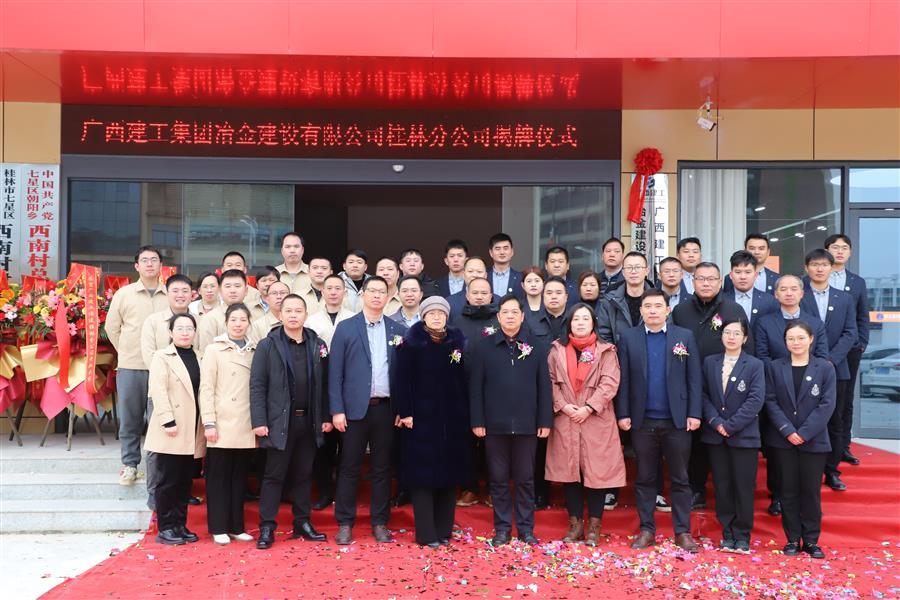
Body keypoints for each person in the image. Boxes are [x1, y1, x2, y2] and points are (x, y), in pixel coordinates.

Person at [616, 289, 702, 553]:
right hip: (642, 420)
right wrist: (623, 413)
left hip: (677, 420)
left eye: (657, 306)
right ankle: (647, 530)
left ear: (667, 310)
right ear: (641, 311)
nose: (652, 310)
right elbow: (624, 379)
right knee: (645, 477)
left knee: (680, 478)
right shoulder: (628, 337)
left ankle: (682, 532)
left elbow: (694, 377)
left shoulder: (683, 336)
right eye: (648, 306)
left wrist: (694, 413)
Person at [329, 276, 408, 545]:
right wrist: (336, 410)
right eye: (371, 291)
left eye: (381, 292)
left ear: (388, 297)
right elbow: (335, 373)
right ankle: (344, 523)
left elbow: (403, 374)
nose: (376, 296)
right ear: (362, 294)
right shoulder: (346, 328)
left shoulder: (398, 330)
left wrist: (402, 408)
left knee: (382, 468)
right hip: (353, 410)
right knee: (349, 466)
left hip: (386, 409)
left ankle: (380, 522)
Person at [469, 295, 552, 546]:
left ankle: (526, 529)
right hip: (494, 425)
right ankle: (502, 529)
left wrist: (544, 420)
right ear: (498, 316)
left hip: (527, 425)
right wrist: (477, 421)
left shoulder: (536, 346)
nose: (510, 316)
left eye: (515, 312)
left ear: (522, 316)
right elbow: (476, 388)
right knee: (498, 479)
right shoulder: (483, 347)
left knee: (526, 479)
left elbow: (544, 386)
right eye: (505, 312)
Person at [250, 294, 332, 549]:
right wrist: (259, 420)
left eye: (298, 311)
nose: (293, 315)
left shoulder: (317, 343)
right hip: (279, 422)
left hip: (309, 421)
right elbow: (257, 385)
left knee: (304, 474)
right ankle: (267, 527)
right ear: (280, 314)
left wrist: (325, 417)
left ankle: (302, 522)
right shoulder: (268, 345)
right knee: (274, 475)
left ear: (306, 315)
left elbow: (325, 384)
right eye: (289, 311)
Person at [394, 297, 470, 547]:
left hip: (451, 419)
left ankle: (444, 530)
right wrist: (406, 412)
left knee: (449, 476)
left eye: (441, 313)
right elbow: (402, 380)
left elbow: (463, 380)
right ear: (423, 316)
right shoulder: (411, 344)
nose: (436, 317)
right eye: (431, 313)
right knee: (423, 478)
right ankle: (427, 534)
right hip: (421, 420)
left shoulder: (456, 343)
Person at [546, 304, 624, 546]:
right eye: (576, 319)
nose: (580, 323)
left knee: (596, 472)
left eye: (585, 319)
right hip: (566, 417)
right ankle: (575, 524)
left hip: (596, 419)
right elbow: (549, 381)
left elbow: (610, 382)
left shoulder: (606, 351)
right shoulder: (557, 350)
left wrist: (589, 407)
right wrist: (564, 406)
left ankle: (594, 527)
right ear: (569, 323)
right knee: (570, 473)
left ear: (593, 323)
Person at [672, 261, 748, 509]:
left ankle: (727, 494)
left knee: (720, 437)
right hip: (688, 385)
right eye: (700, 279)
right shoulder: (681, 311)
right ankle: (696, 489)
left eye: (711, 279)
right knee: (692, 440)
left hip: (724, 385)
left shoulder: (734, 309)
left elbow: (747, 349)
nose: (706, 283)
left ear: (720, 281)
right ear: (692, 282)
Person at [752, 274, 829, 516]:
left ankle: (806, 503)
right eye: (783, 289)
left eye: (793, 289)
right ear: (775, 294)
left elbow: (822, 355)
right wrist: (779, 374)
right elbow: (762, 355)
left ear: (802, 293)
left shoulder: (814, 323)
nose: (788, 293)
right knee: (777, 451)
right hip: (776, 388)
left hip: (808, 392)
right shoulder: (764, 322)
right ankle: (777, 496)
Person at [765, 321, 836, 559]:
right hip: (783, 440)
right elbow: (770, 401)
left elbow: (827, 404)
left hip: (814, 441)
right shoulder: (775, 367)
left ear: (811, 339)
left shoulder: (824, 368)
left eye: (801, 338)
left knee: (810, 491)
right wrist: (787, 430)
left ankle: (812, 541)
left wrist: (804, 432)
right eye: (791, 339)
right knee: (788, 490)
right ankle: (793, 539)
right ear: (785, 342)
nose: (796, 343)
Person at [106, 245, 170, 485]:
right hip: (131, 366)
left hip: (163, 367)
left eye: (154, 260)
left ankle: (158, 468)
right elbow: (112, 327)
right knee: (130, 418)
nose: (150, 264)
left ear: (161, 265)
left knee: (160, 419)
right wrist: (125, 350)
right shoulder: (124, 294)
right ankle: (130, 465)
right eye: (145, 260)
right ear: (136, 266)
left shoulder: (170, 293)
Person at [701, 318, 765, 554]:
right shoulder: (710, 362)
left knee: (743, 486)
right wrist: (717, 422)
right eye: (727, 332)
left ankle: (742, 535)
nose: (731, 337)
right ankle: (727, 533)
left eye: (737, 333)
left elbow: (755, 399)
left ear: (745, 338)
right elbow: (703, 395)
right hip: (716, 436)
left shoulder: (755, 365)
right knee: (722, 486)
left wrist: (731, 425)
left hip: (744, 436)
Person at [199, 303, 257, 545]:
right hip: (221, 422)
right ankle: (218, 526)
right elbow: (206, 388)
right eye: (233, 320)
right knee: (218, 478)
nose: (238, 324)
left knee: (239, 478)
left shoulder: (255, 350)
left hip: (246, 422)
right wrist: (209, 422)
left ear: (249, 323)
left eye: (243, 320)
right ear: (226, 323)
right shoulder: (214, 350)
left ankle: (236, 526)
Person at [145, 313, 205, 545]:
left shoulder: (200, 356)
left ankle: (180, 524)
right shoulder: (162, 357)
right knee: (167, 481)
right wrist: (167, 420)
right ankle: (166, 528)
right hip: (171, 427)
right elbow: (158, 390)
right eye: (179, 328)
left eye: (189, 328)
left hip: (192, 427)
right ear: (170, 332)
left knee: (183, 482)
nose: (185, 332)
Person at [801, 249, 857, 492]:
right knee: (805, 418)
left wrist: (830, 360)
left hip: (836, 368)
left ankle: (832, 471)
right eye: (814, 264)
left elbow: (850, 333)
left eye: (824, 264)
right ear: (806, 268)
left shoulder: (844, 298)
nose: (819, 269)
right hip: (803, 365)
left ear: (832, 268)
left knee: (835, 420)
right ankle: (805, 471)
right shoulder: (799, 294)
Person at [140, 274, 195, 510]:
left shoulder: (198, 319)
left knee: (186, 445)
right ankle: (154, 493)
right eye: (175, 291)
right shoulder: (154, 321)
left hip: (190, 394)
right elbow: (149, 356)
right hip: (163, 391)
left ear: (192, 294)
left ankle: (182, 491)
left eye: (185, 291)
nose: (180, 295)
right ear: (167, 293)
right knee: (158, 446)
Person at [824, 234, 870, 466]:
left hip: (849, 349)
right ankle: (821, 444)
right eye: (835, 247)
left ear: (850, 252)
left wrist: (861, 343)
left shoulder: (857, 282)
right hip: (818, 348)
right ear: (826, 250)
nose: (840, 251)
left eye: (844, 248)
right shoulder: (810, 279)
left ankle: (843, 446)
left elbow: (863, 315)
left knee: (846, 398)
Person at [197, 270, 264, 350]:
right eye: (228, 286)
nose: (232, 291)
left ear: (246, 291)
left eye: (237, 286)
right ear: (220, 291)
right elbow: (205, 352)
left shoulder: (258, 315)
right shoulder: (210, 318)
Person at [597, 251, 653, 345]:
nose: (633, 271)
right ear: (623, 272)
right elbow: (604, 334)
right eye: (629, 268)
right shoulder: (610, 300)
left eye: (638, 267)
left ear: (647, 270)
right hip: (618, 352)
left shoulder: (658, 299)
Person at [725, 250, 780, 326]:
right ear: (731, 275)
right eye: (738, 272)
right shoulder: (722, 300)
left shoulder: (770, 301)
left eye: (748, 272)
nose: (743, 277)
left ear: (755, 275)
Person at [306, 274, 355, 348]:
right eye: (329, 288)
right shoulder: (311, 321)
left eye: (337, 288)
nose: (333, 292)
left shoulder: (354, 319)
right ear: (323, 292)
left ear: (344, 293)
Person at [525, 276, 568, 347]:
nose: (554, 296)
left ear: (566, 297)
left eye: (558, 293)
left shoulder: (574, 320)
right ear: (543, 296)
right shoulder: (530, 322)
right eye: (549, 293)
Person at [488, 233, 523, 298]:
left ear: (512, 252)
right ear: (491, 253)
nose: (502, 252)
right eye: (497, 249)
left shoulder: (520, 278)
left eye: (505, 248)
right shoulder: (484, 276)